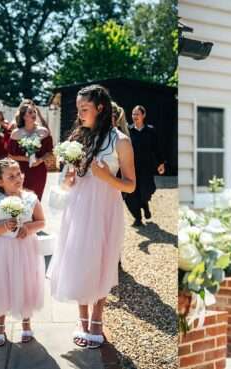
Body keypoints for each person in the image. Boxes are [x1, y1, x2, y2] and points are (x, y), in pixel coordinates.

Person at [48, 85, 135, 349]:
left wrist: (107, 177)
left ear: (100, 108)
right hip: (78, 208)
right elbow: (66, 183)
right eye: (78, 109)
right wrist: (70, 179)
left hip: (105, 209)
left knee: (100, 262)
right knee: (77, 260)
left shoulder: (121, 141)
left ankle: (97, 318)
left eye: (84, 109)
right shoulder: (78, 138)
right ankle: (82, 318)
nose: (80, 113)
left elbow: (130, 185)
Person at [0, 158, 46, 347]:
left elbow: (41, 222)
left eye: (19, 174)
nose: (18, 178)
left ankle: (26, 325)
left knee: (25, 284)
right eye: (11, 176)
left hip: (25, 250)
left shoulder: (31, 198)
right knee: (1, 285)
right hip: (2, 251)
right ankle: (0, 329)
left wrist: (28, 227)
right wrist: (3, 226)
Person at [125, 105, 165, 226]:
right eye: (133, 114)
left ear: (143, 115)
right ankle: (137, 218)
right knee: (131, 193)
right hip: (131, 167)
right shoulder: (128, 131)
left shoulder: (150, 131)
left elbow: (156, 148)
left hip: (146, 167)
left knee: (146, 191)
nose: (134, 116)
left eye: (137, 114)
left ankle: (145, 206)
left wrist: (160, 163)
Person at [7, 101, 54, 200]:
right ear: (24, 116)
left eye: (34, 112)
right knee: (21, 198)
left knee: (36, 198)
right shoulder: (16, 133)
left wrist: (39, 160)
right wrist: (27, 159)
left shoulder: (44, 132)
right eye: (30, 112)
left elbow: (49, 152)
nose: (33, 114)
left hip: (39, 171)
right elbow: (10, 155)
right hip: (21, 171)